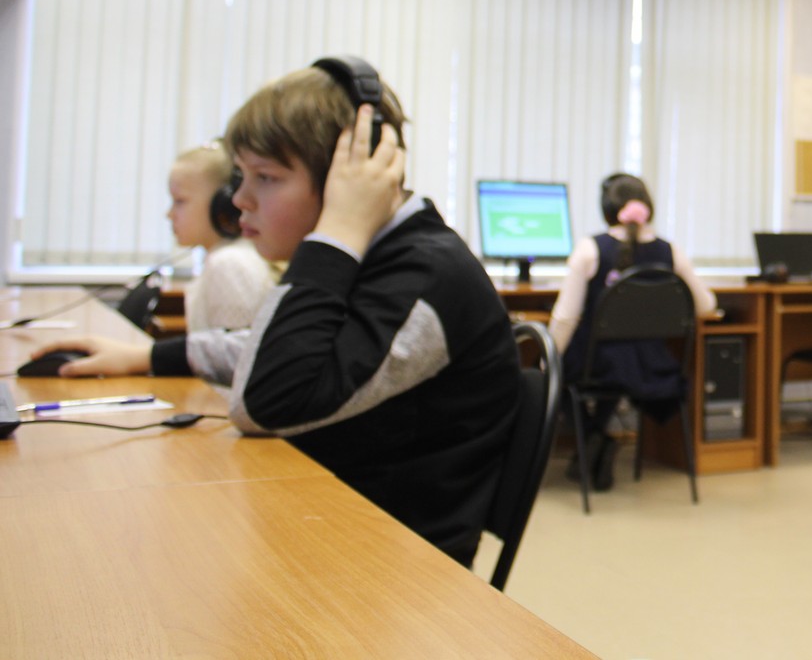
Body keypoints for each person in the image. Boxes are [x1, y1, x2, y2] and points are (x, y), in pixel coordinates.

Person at [34, 60, 521, 565]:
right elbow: (297, 350)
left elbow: (270, 402)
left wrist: (337, 231)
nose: (239, 200)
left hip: (388, 566)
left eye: (265, 177)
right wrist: (149, 357)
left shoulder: (425, 275)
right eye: (241, 175)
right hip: (328, 523)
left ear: (345, 180)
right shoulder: (380, 255)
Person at [551, 172, 716, 490]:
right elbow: (706, 305)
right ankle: (597, 439)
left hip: (598, 364)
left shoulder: (590, 249)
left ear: (607, 209)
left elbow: (566, 318)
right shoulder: (670, 251)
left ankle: (592, 436)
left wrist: (548, 359)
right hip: (650, 364)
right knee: (618, 365)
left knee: (556, 372)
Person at [166, 142, 276, 332]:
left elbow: (231, 349)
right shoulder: (226, 257)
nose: (169, 214)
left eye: (180, 201)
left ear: (224, 203)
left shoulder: (229, 264)